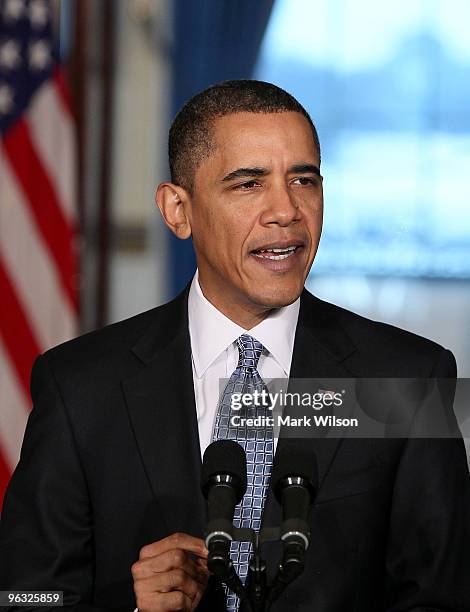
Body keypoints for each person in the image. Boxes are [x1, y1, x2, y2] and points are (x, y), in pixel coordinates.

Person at [1, 80, 469, 612]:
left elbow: (442, 598)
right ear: (178, 209)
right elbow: (23, 594)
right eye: (248, 184)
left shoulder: (406, 378)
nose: (286, 211)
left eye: (304, 180)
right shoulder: (80, 387)